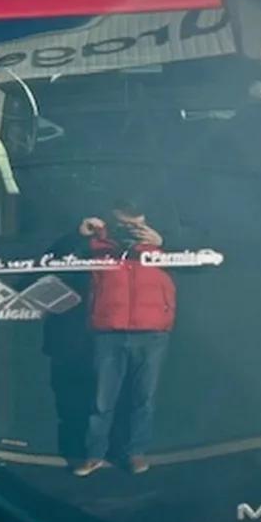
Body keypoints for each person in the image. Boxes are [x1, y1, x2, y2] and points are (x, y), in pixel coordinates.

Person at [73, 197, 175, 477]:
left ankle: (135, 453)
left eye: (135, 225)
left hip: (153, 332)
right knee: (101, 401)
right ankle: (94, 455)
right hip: (108, 330)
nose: (130, 230)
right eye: (123, 224)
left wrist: (166, 241)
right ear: (111, 220)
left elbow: (206, 255)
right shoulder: (96, 245)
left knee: (144, 399)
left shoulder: (160, 244)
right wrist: (78, 235)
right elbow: (57, 258)